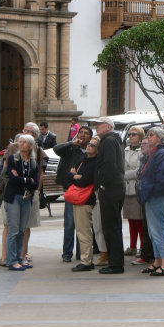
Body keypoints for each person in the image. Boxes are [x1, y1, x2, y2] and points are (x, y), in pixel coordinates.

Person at [0, 122, 48, 266]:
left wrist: (34, 188)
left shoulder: (37, 155)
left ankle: (21, 255)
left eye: (29, 133)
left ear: (35, 138)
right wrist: (26, 179)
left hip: (29, 196)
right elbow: (8, 175)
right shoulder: (12, 152)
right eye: (23, 132)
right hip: (12, 196)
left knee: (24, 227)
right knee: (10, 227)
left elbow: (37, 177)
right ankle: (7, 257)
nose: (23, 137)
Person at [140, 127, 164, 277]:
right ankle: (157, 262)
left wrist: (149, 191)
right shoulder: (155, 153)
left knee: (159, 231)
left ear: (160, 138)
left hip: (158, 196)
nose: (148, 137)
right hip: (153, 196)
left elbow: (163, 179)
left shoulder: (162, 154)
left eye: (152, 135)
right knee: (153, 231)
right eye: (148, 135)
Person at [54, 126, 92, 262]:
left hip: (84, 190)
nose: (82, 135)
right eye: (80, 132)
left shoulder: (90, 151)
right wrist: (71, 142)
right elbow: (56, 149)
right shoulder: (71, 148)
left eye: (86, 133)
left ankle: (81, 253)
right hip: (71, 189)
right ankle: (67, 253)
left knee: (82, 224)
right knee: (70, 223)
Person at [94, 116, 125, 274]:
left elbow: (110, 165)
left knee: (111, 227)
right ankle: (115, 261)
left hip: (111, 188)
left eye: (99, 124)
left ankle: (116, 263)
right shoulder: (113, 140)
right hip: (115, 187)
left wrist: (103, 184)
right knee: (113, 226)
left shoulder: (108, 141)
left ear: (108, 126)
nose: (96, 127)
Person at [4, 135, 39, 271]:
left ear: (31, 145)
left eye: (25, 142)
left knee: (21, 230)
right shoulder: (13, 158)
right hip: (14, 197)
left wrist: (22, 179)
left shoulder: (33, 162)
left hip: (26, 198)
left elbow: (35, 183)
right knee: (13, 229)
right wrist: (27, 180)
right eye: (21, 142)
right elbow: (12, 178)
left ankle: (19, 258)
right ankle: (11, 260)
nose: (22, 144)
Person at [71, 136, 100, 272]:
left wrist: (76, 176)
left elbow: (85, 181)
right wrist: (74, 176)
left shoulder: (95, 163)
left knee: (84, 231)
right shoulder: (83, 160)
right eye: (89, 144)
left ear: (98, 150)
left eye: (93, 145)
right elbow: (69, 174)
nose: (89, 146)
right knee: (81, 230)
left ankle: (86, 261)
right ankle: (86, 259)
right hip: (79, 198)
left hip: (86, 199)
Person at [131, 137, 154, 265]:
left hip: (149, 196)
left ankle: (148, 255)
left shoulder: (151, 158)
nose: (142, 145)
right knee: (144, 226)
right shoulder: (143, 158)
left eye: (145, 143)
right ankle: (147, 254)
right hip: (143, 195)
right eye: (142, 143)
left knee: (149, 227)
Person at [123, 126, 145, 257]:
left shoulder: (142, 151)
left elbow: (139, 170)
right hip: (126, 189)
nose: (131, 136)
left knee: (139, 219)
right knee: (131, 218)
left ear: (140, 137)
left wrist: (123, 175)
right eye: (130, 134)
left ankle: (142, 246)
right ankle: (132, 245)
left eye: (134, 134)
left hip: (136, 188)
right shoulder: (125, 150)